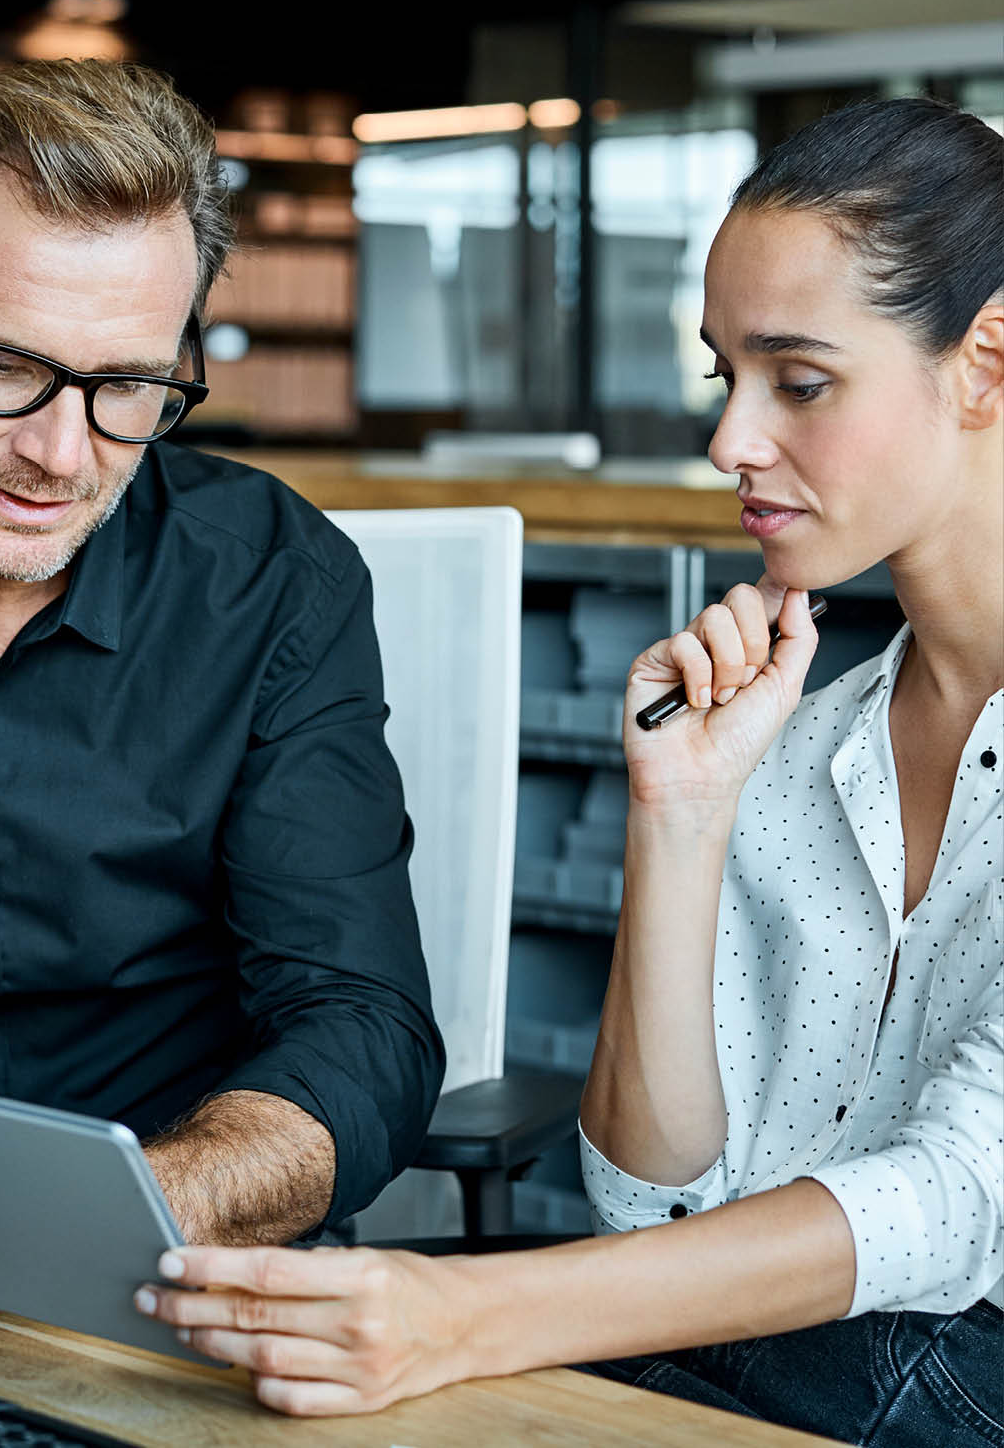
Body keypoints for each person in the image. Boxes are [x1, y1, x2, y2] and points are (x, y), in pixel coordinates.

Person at [135, 98, 1003, 1444]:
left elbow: (958, 1201)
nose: (727, 442)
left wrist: (464, 1316)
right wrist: (682, 815)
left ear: (982, 363)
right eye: (725, 376)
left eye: (800, 380)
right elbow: (648, 1202)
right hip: (759, 1363)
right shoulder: (807, 739)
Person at [0, 59, 443, 1318]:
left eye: (127, 388)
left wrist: (136, 1209)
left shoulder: (275, 585)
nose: (59, 454)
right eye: (2, 364)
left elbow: (361, 1029)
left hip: (167, 1285)